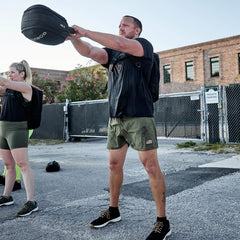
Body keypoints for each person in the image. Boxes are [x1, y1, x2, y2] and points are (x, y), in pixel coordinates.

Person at [67, 16, 171, 240]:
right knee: (114, 165)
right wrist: (73, 38)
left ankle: (163, 222)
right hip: (116, 117)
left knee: (151, 166)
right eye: (119, 26)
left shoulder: (144, 46)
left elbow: (121, 43)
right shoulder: (112, 53)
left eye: (125, 25)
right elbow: (90, 52)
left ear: (137, 30)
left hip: (140, 116)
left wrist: (85, 30)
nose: (120, 28)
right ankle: (113, 211)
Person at [0, 60, 38, 217]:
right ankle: (7, 196)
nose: (10, 75)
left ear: (22, 74)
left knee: (23, 165)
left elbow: (3, 81)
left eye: (13, 72)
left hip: (17, 128)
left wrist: (5, 80)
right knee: (9, 165)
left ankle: (31, 202)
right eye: (9, 73)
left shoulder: (25, 87)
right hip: (3, 128)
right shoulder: (8, 89)